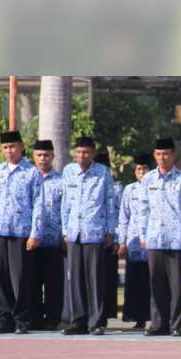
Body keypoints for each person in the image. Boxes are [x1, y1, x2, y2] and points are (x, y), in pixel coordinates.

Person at [0, 130, 44, 335]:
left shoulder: (31, 172)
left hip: (21, 232)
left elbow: (38, 204)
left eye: (13, 147)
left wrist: (35, 233)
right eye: (6, 148)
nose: (9, 151)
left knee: (20, 278)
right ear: (1, 150)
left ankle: (22, 319)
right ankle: (4, 318)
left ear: (21, 147)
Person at [139, 137, 181, 337]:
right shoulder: (148, 179)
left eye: (166, 154)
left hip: (176, 238)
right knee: (156, 283)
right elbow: (143, 209)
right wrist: (142, 234)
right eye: (158, 154)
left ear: (173, 155)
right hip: (154, 237)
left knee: (175, 285)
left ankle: (176, 324)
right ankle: (158, 324)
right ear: (154, 155)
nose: (162, 158)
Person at [61, 136, 116, 335]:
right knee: (74, 279)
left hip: (94, 232)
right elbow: (65, 203)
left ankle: (96, 321)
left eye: (85, 152)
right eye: (78, 152)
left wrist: (110, 231)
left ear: (93, 153)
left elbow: (110, 203)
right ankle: (78, 321)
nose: (81, 156)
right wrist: (65, 231)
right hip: (74, 233)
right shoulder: (68, 172)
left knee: (94, 279)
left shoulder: (103, 173)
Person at [30, 139, 65, 330]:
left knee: (53, 283)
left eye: (46, 155)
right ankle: (34, 317)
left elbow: (66, 209)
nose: (42, 159)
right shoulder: (27, 178)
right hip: (30, 241)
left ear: (53, 156)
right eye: (39, 155)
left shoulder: (61, 181)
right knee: (32, 281)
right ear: (33, 156)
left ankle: (53, 318)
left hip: (54, 240)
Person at [117, 153, 152, 329]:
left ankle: (155, 317)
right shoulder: (129, 190)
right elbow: (124, 216)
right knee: (134, 282)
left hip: (152, 243)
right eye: (138, 169)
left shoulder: (155, 187)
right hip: (133, 242)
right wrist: (122, 241)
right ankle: (137, 318)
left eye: (144, 168)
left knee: (151, 282)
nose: (141, 172)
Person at [94, 151, 121, 328]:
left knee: (106, 280)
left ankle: (104, 315)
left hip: (109, 239)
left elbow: (117, 214)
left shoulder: (116, 188)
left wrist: (116, 238)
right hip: (96, 237)